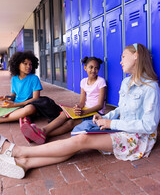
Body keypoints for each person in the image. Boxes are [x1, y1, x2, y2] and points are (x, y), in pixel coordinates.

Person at [0, 43, 160, 179]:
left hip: (136, 137)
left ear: (136, 56)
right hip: (119, 127)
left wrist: (110, 122)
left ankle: (17, 151)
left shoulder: (150, 87)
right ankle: (26, 163)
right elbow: (121, 109)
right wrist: (106, 117)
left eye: (123, 57)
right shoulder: (126, 82)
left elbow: (149, 126)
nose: (120, 62)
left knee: (82, 139)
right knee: (78, 136)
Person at [20, 56, 107, 144]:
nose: (93, 70)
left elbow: (100, 105)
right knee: (64, 114)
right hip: (84, 110)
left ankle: (42, 134)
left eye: (96, 68)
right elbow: (82, 102)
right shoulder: (83, 82)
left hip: (96, 113)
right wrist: (78, 107)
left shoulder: (101, 81)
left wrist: (84, 112)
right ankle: (42, 131)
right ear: (85, 68)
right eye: (91, 67)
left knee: (70, 123)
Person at [0, 51, 61, 125]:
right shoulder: (14, 79)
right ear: (17, 64)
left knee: (30, 109)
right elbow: (13, 95)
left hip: (28, 104)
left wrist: (14, 105)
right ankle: (22, 117)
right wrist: (6, 98)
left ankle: (4, 119)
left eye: (30, 64)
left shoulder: (34, 78)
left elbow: (35, 98)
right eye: (25, 64)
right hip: (16, 104)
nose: (29, 66)